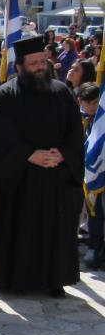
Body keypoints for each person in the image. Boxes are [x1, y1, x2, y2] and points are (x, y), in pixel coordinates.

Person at [0, 36, 84, 297]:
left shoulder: (61, 92)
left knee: (55, 230)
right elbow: (0, 135)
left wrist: (62, 154)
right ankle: (14, 280)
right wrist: (30, 155)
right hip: (20, 177)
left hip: (55, 175)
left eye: (43, 61)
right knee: (19, 229)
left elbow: (75, 132)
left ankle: (54, 280)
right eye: (35, 63)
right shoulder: (4, 96)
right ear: (19, 66)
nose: (41, 66)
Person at [79, 82, 103, 269]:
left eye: (97, 102)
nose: (94, 107)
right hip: (80, 172)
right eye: (90, 103)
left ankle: (98, 249)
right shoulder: (78, 119)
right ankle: (92, 245)